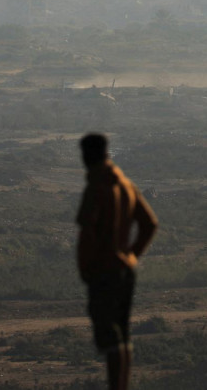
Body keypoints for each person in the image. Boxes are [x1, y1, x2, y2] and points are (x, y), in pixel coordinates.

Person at [76, 132, 159, 390]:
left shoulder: (97, 188)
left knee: (110, 336)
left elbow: (88, 233)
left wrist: (87, 268)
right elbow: (149, 224)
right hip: (124, 270)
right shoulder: (125, 184)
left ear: (89, 155)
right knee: (122, 335)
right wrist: (131, 255)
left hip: (104, 272)